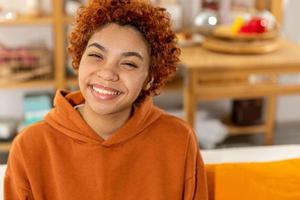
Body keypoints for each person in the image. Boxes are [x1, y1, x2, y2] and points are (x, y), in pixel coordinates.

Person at [4, 0, 208, 199]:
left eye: (128, 63)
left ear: (149, 79)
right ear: (78, 59)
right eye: (96, 55)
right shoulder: (30, 146)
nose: (108, 73)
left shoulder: (178, 140)